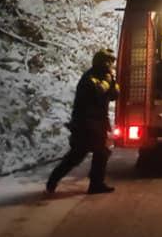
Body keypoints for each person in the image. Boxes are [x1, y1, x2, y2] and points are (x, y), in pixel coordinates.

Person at [46, 48, 119, 195]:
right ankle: (91, 183)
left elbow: (113, 95)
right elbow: (98, 92)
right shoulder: (90, 77)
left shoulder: (103, 76)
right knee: (83, 155)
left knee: (89, 154)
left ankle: (94, 183)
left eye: (111, 62)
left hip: (96, 123)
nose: (110, 65)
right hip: (86, 123)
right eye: (108, 61)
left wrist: (113, 82)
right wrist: (107, 81)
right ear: (101, 61)